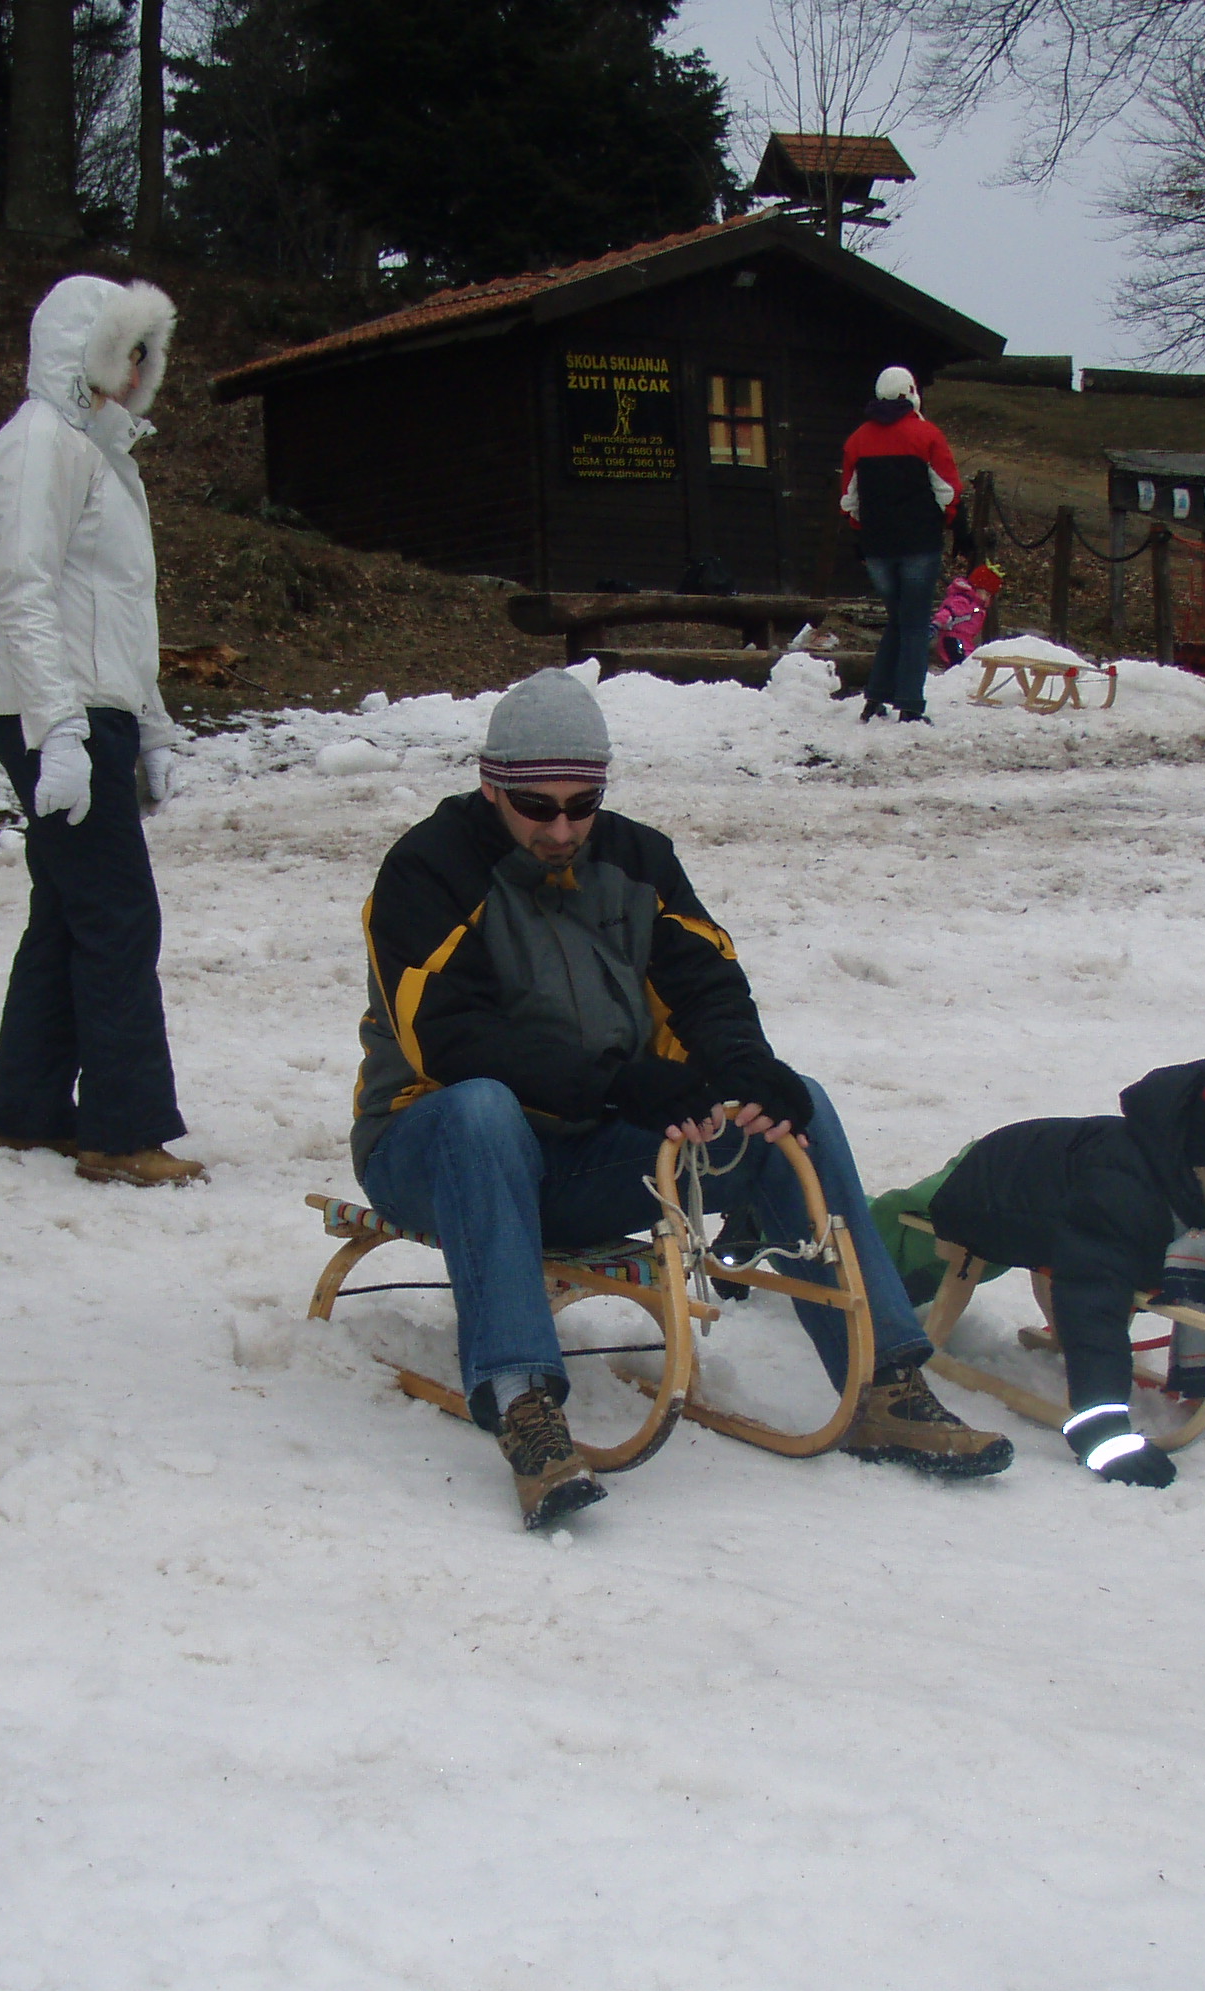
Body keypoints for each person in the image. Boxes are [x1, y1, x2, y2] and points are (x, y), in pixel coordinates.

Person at [350, 669, 1015, 1528]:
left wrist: (742, 1067)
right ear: (490, 785)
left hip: (582, 1158)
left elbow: (704, 985)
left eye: (582, 806)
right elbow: (449, 1036)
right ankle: (523, 1404)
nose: (562, 828)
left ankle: (883, 1382)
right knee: (483, 1108)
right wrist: (621, 1084)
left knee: (795, 1110)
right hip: (434, 1150)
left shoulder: (638, 860)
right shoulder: (427, 870)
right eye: (537, 807)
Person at [0, 273, 201, 1187]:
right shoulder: (38, 445)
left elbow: (118, 613)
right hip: (54, 711)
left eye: (149, 355)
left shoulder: (99, 456)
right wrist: (59, 731)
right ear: (86, 351)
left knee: (69, 910)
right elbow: (23, 592)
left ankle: (29, 1108)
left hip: (90, 710)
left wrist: (151, 725)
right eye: (126, 351)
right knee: (116, 913)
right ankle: (123, 1129)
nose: (139, 372)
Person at [875, 1057, 1205, 1488]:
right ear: (1196, 1166)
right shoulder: (1121, 1192)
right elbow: (1093, 1300)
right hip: (994, 1185)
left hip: (1064, 1194)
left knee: (1095, 1255)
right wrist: (1102, 1427)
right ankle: (859, 1257)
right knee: (896, 1237)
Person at [839, 365, 965, 724]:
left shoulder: (857, 440)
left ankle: (875, 697)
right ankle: (910, 703)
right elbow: (947, 491)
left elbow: (849, 501)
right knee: (914, 625)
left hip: (877, 547)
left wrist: (860, 531)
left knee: (898, 620)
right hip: (919, 544)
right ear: (911, 393)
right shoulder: (927, 435)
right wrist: (952, 522)